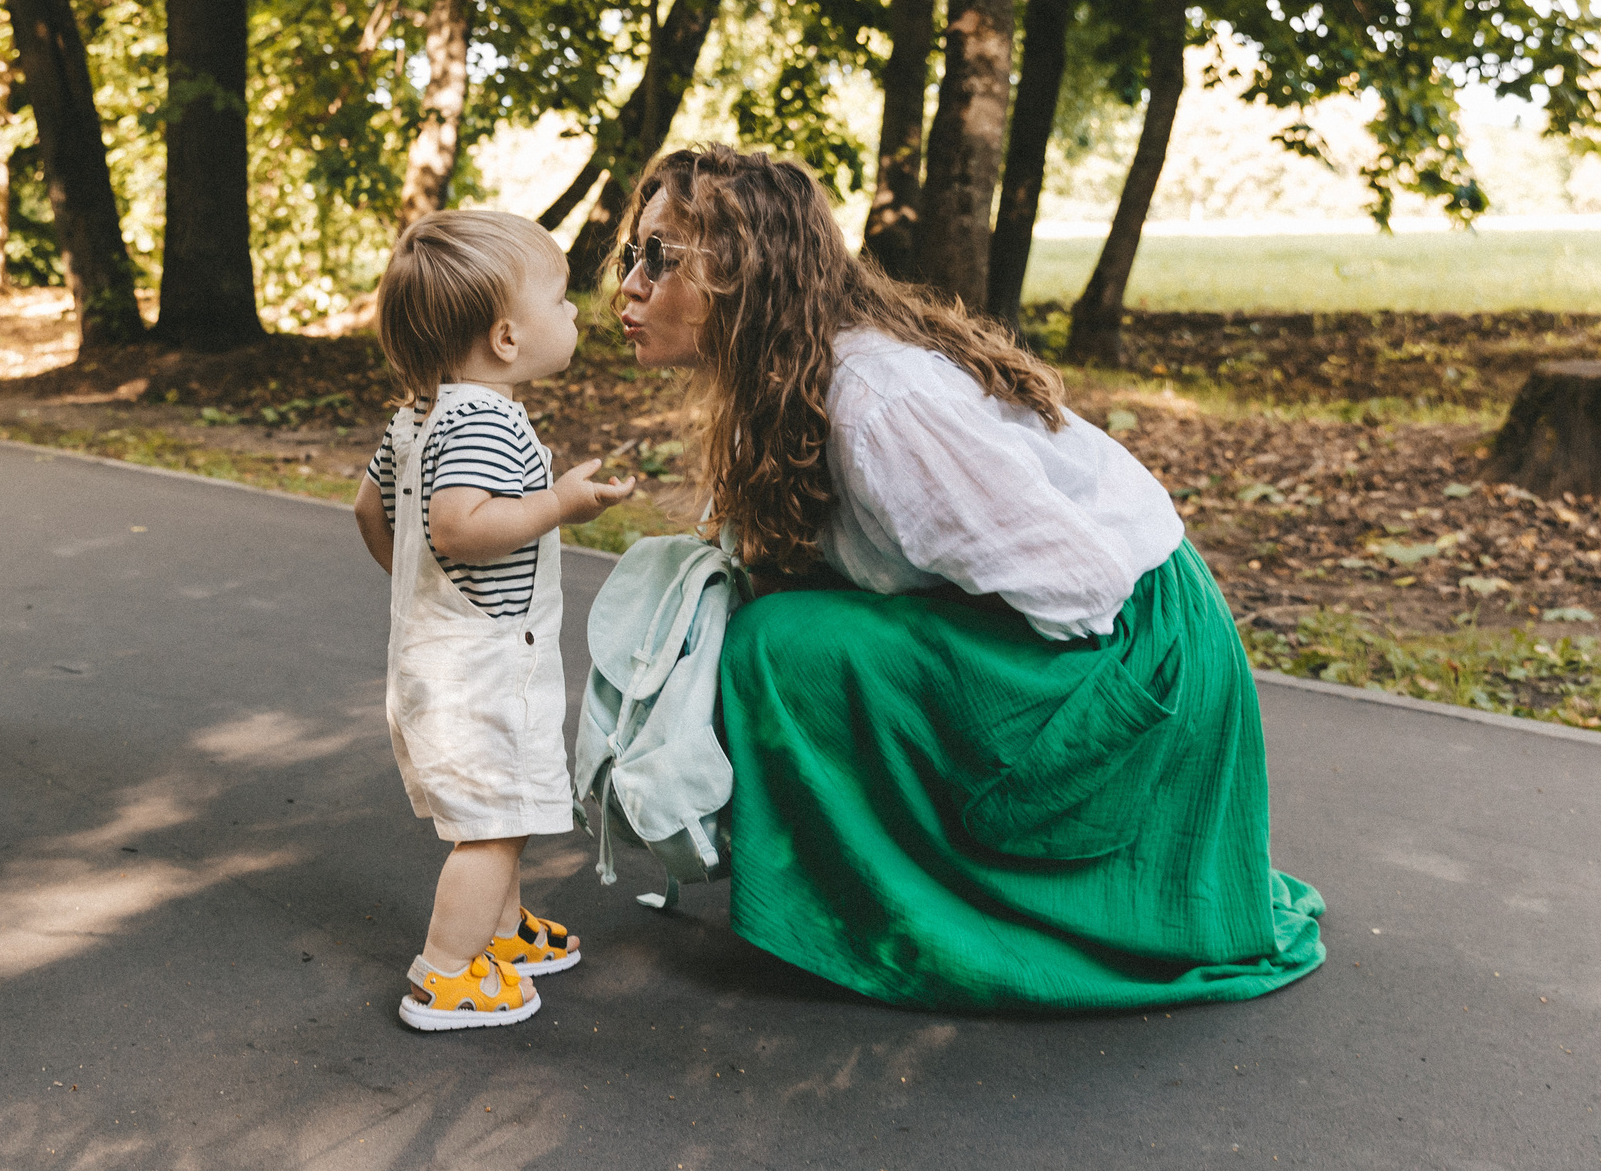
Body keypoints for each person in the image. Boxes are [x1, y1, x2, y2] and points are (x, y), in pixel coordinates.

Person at [610, 145, 1325, 1012]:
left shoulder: (879, 404)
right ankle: (861, 893)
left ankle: (928, 912)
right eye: (630, 254)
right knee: (775, 616)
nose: (631, 284)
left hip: (1141, 654)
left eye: (659, 257)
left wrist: (953, 705)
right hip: (1093, 620)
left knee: (780, 647)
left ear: (745, 272)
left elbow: (1083, 586)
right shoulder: (789, 377)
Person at [356, 211, 638, 1030]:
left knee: (500, 813)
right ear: (507, 337)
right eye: (561, 298)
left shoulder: (420, 412)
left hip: (435, 656)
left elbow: (371, 509)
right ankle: (446, 975)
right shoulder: (484, 419)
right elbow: (457, 526)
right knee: (491, 831)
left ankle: (502, 935)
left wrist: (418, 596)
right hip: (478, 671)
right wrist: (560, 503)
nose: (579, 311)